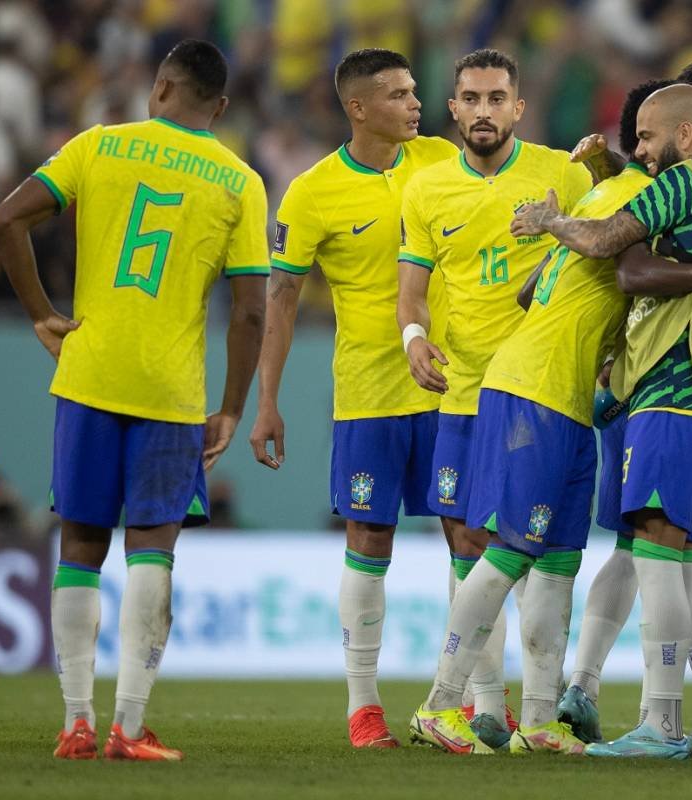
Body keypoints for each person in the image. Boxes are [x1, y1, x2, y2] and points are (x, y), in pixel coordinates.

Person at [0, 39, 268, 761]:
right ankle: (130, 727)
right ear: (222, 107)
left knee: (80, 545)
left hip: (87, 375)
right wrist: (233, 405)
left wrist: (42, 311)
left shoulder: (98, 145)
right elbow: (249, 313)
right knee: (153, 549)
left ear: (160, 89)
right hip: (172, 393)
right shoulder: (239, 179)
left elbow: (5, 220)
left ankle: (76, 723)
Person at [513, 83, 692, 759]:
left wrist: (553, 222)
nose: (637, 150)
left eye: (645, 137)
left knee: (655, 559)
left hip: (670, 393)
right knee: (689, 561)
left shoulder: (679, 185)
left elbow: (607, 246)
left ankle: (663, 726)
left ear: (682, 134)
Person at [247, 48, 458, 750]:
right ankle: (364, 708)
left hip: (450, 384)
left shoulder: (443, 159)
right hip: (369, 391)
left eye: (413, 88)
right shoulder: (311, 192)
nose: (415, 102)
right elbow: (279, 299)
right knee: (370, 538)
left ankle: (467, 698)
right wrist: (266, 401)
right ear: (358, 108)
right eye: (398, 93)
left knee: (470, 536)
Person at [397, 48, 591, 753]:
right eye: (470, 97)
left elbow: (600, 241)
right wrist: (415, 337)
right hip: (462, 390)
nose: (483, 110)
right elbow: (411, 289)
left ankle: (532, 713)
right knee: (468, 540)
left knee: (540, 548)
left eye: (496, 98)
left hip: (541, 386)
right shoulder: (425, 190)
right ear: (453, 108)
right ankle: (485, 706)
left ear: (518, 107)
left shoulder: (560, 173)